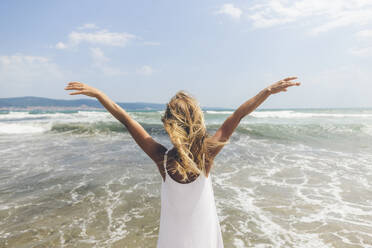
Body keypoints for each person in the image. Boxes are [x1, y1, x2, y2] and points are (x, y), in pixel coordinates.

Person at [64, 77, 300, 247]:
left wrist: (100, 95)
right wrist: (267, 91)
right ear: (198, 121)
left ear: (168, 124)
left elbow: (126, 120)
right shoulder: (206, 156)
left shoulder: (161, 158)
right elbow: (237, 115)